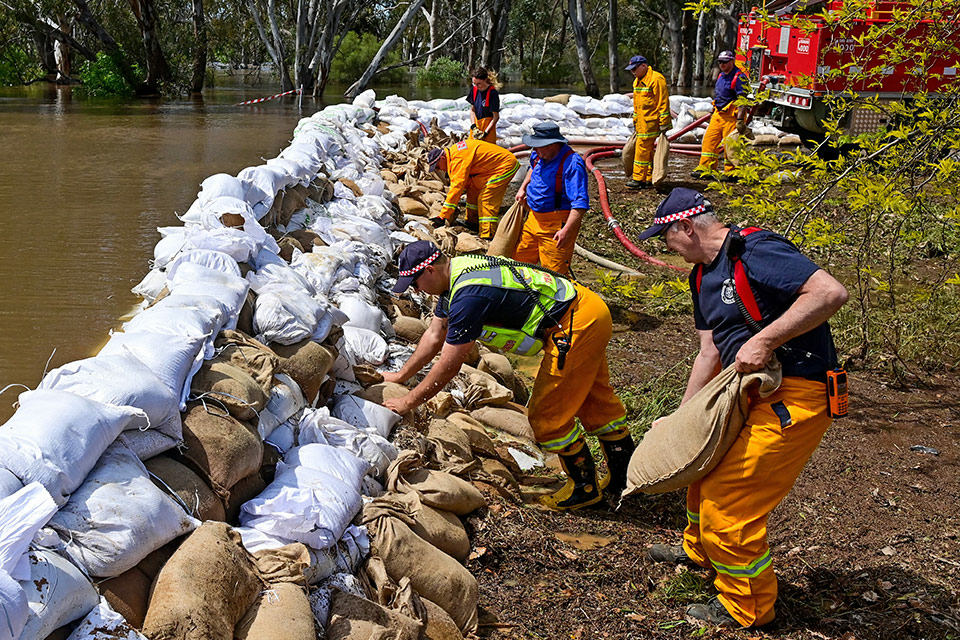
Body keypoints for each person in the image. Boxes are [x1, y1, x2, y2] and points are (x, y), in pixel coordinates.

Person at [636, 188, 848, 628]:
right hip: (743, 393)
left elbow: (829, 292)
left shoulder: (755, 251)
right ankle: (700, 551)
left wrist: (766, 339)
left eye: (665, 237)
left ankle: (748, 607)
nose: (665, 246)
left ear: (686, 227)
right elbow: (708, 353)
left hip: (795, 395)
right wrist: (682, 417)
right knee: (704, 472)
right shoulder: (700, 277)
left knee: (728, 503)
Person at [383, 240, 636, 511]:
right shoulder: (458, 275)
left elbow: (449, 364)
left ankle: (584, 490)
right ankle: (624, 479)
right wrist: (400, 376)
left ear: (430, 270)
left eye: (415, 282)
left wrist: (409, 401)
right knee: (594, 401)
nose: (415, 289)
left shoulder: (469, 296)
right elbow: (434, 336)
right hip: (587, 309)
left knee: (547, 417)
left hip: (574, 326)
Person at [513, 123, 589, 276]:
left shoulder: (572, 164)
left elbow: (580, 204)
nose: (536, 150)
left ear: (554, 144)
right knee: (519, 263)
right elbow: (533, 169)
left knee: (554, 274)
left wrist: (567, 231)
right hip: (533, 219)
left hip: (555, 227)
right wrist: (523, 188)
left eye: (540, 146)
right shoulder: (539, 154)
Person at [427, 139, 520, 240]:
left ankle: (487, 233)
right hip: (489, 168)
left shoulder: (458, 158)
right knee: (472, 189)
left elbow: (457, 187)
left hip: (504, 166)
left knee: (486, 199)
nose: (439, 169)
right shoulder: (454, 154)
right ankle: (472, 222)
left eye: (437, 166)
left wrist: (443, 216)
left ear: (442, 158)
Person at [692, 50, 750, 181]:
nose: (722, 65)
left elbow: (743, 100)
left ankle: (732, 172)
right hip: (718, 115)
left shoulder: (739, 77)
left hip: (732, 116)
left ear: (732, 61)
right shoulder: (721, 76)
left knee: (730, 145)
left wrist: (740, 120)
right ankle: (706, 169)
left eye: (725, 62)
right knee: (709, 141)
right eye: (720, 62)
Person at [625, 55, 671, 189]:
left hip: (651, 122)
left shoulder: (656, 79)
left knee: (641, 151)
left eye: (635, 69)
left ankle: (638, 178)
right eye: (631, 70)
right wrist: (635, 119)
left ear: (644, 66)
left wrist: (664, 122)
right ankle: (648, 177)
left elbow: (663, 102)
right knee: (648, 151)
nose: (633, 72)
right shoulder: (637, 81)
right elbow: (636, 105)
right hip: (641, 122)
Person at [467, 67, 502, 145]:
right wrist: (473, 127)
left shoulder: (493, 93)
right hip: (476, 126)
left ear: (485, 80)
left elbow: (495, 117)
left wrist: (485, 133)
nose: (476, 86)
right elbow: (472, 110)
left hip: (488, 129)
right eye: (474, 83)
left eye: (479, 84)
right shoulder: (474, 89)